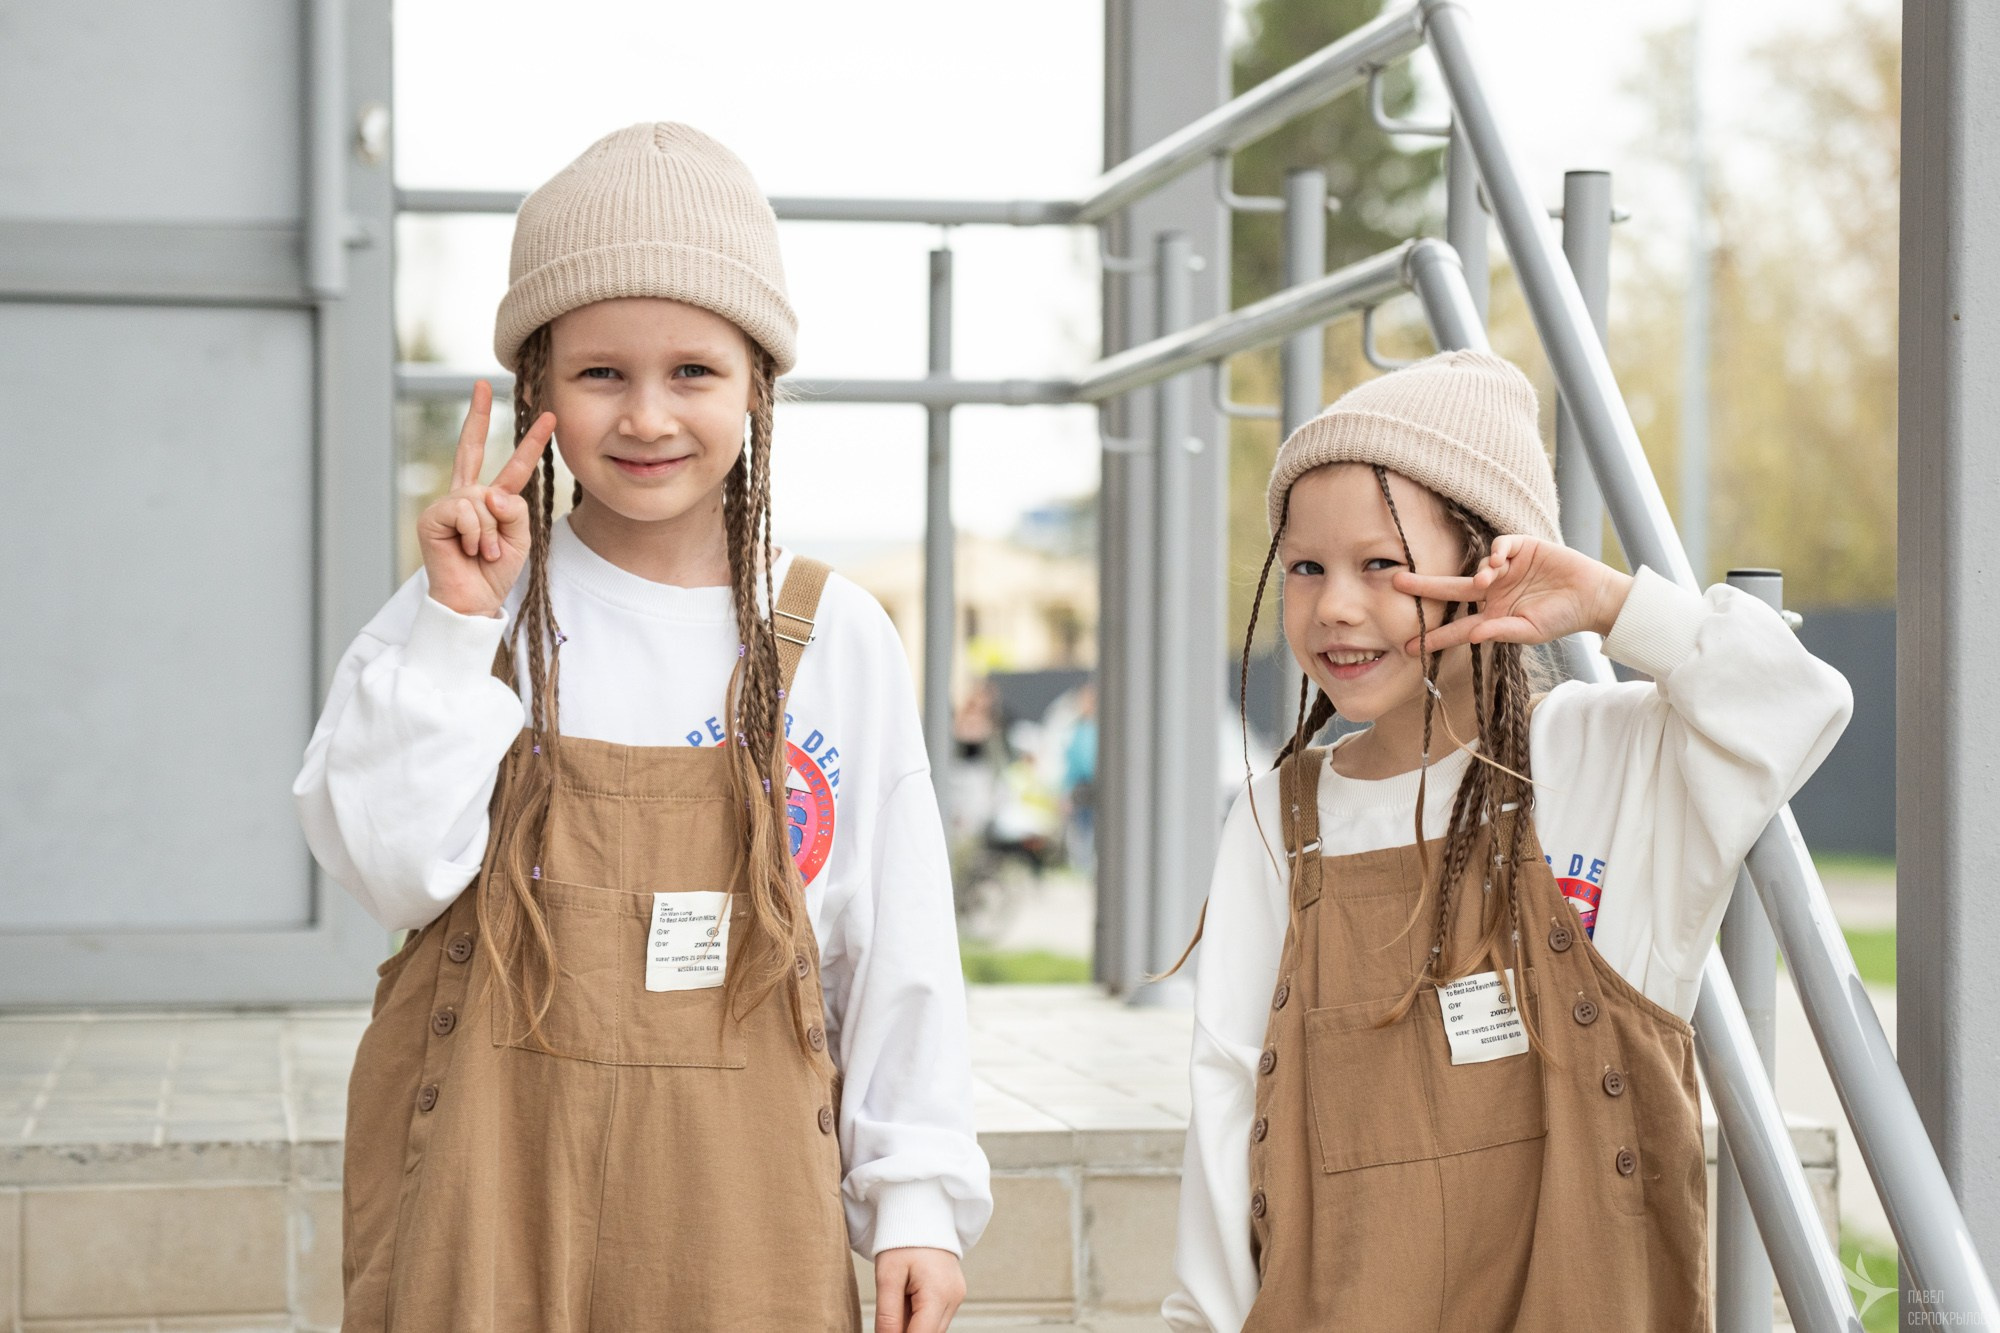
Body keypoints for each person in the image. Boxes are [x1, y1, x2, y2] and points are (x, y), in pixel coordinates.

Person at [294, 123, 989, 1333]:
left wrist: (915, 1197)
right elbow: (388, 869)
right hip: (488, 1188)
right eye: (600, 373)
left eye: (694, 372)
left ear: (758, 384)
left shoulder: (833, 636)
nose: (647, 416)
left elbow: (897, 949)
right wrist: (459, 630)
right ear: (538, 391)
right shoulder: (471, 608)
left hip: (742, 1213)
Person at [1162, 350, 1851, 1331]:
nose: (1335, 605)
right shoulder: (1275, 818)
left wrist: (1611, 603)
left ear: (1491, 563)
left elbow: (1799, 704)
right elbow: (1226, 1099)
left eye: (1384, 565)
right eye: (1306, 566)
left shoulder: (1606, 758)